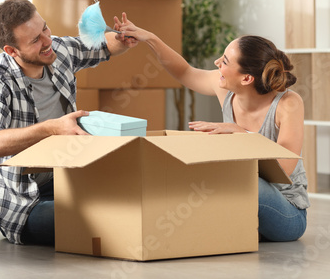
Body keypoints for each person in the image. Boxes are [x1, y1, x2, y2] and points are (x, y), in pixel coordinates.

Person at [119, 18, 310, 242]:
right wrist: (149, 37)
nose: (217, 62)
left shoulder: (288, 103)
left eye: (225, 61)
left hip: (288, 212)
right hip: (244, 205)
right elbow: (184, 72)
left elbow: (286, 167)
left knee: (246, 180)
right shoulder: (227, 90)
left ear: (246, 78)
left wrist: (242, 134)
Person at [0, 0, 137, 245]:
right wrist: (52, 128)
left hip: (64, 182)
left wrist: (122, 38)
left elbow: (102, 45)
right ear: (11, 50)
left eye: (45, 28)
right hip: (23, 201)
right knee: (96, 219)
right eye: (35, 40)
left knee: (132, 201)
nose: (47, 41)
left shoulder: (56, 51)